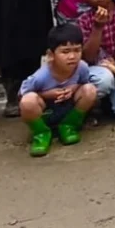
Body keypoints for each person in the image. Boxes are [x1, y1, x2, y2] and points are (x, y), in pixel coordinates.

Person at [19, 22, 98, 157]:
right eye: (65, 52)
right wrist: (47, 95)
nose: (72, 56)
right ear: (51, 54)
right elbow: (22, 96)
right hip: (46, 112)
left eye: (77, 50)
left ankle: (69, 126)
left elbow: (84, 84)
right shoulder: (40, 76)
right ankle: (41, 133)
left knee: (90, 90)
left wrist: (73, 88)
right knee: (28, 101)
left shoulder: (82, 67)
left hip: (68, 109)